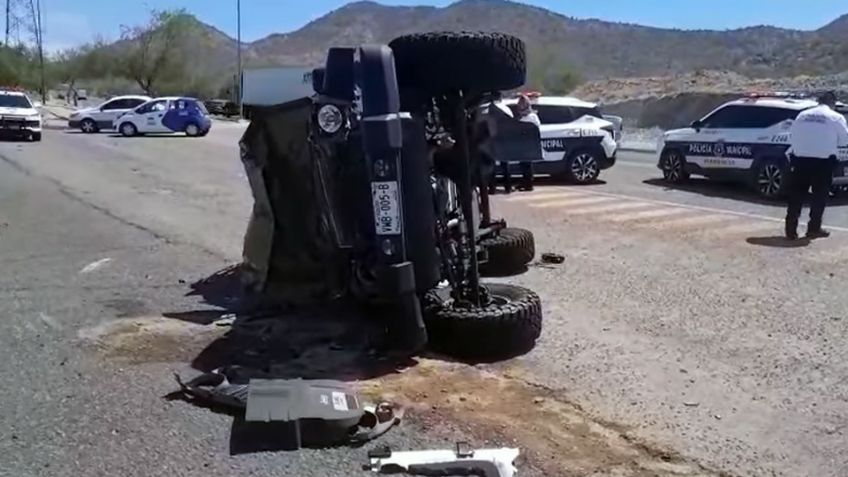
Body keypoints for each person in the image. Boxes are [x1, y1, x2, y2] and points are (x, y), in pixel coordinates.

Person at [785, 91, 848, 240]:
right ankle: (813, 228)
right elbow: (844, 140)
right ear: (832, 103)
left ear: (818, 101)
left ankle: (790, 229)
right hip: (823, 162)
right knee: (819, 196)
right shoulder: (835, 117)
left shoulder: (802, 115)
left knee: (796, 195)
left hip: (800, 160)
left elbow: (792, 135)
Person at [514, 94, 541, 191]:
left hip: (529, 144)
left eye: (522, 104)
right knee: (523, 165)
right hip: (523, 144)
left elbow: (535, 129)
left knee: (527, 165)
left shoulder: (532, 116)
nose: (520, 106)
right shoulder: (522, 117)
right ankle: (524, 182)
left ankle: (529, 184)